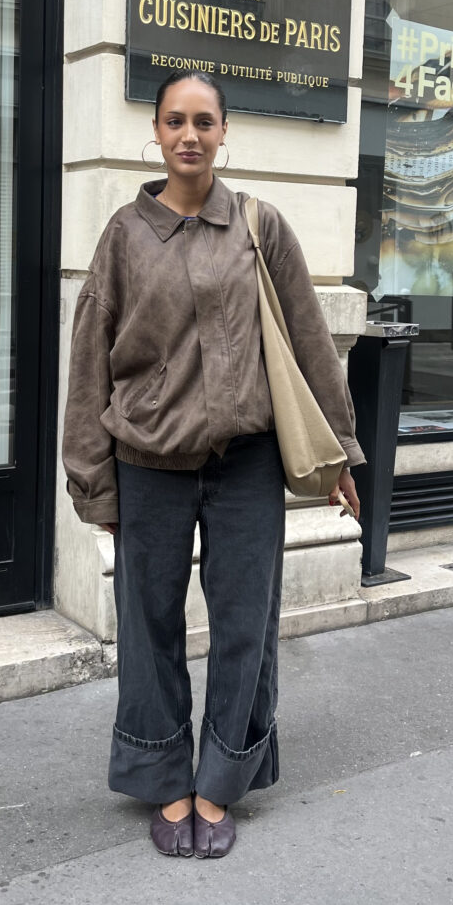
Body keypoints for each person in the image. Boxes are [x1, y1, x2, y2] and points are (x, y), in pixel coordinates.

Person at [62, 70, 364, 859]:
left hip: (247, 464)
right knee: (148, 627)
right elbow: (90, 360)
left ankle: (219, 780)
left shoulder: (261, 227)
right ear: (156, 134)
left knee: (244, 629)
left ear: (224, 131)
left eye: (203, 121)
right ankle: (164, 775)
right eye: (174, 121)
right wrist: (92, 476)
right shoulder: (125, 236)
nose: (188, 135)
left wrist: (339, 452)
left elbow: (308, 340)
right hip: (148, 463)